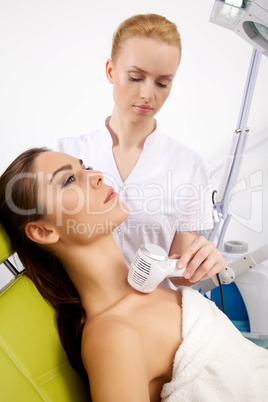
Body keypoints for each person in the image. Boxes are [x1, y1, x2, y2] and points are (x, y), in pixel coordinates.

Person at [1, 148, 268, 402]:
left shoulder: (152, 287)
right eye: (69, 179)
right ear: (43, 232)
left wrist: (197, 264)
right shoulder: (113, 337)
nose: (96, 176)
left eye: (87, 168)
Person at [54, 13, 225, 286]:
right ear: (110, 71)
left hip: (153, 312)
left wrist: (201, 261)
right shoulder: (65, 157)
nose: (148, 94)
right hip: (80, 309)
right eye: (135, 77)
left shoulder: (188, 166)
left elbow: (181, 272)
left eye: (162, 83)